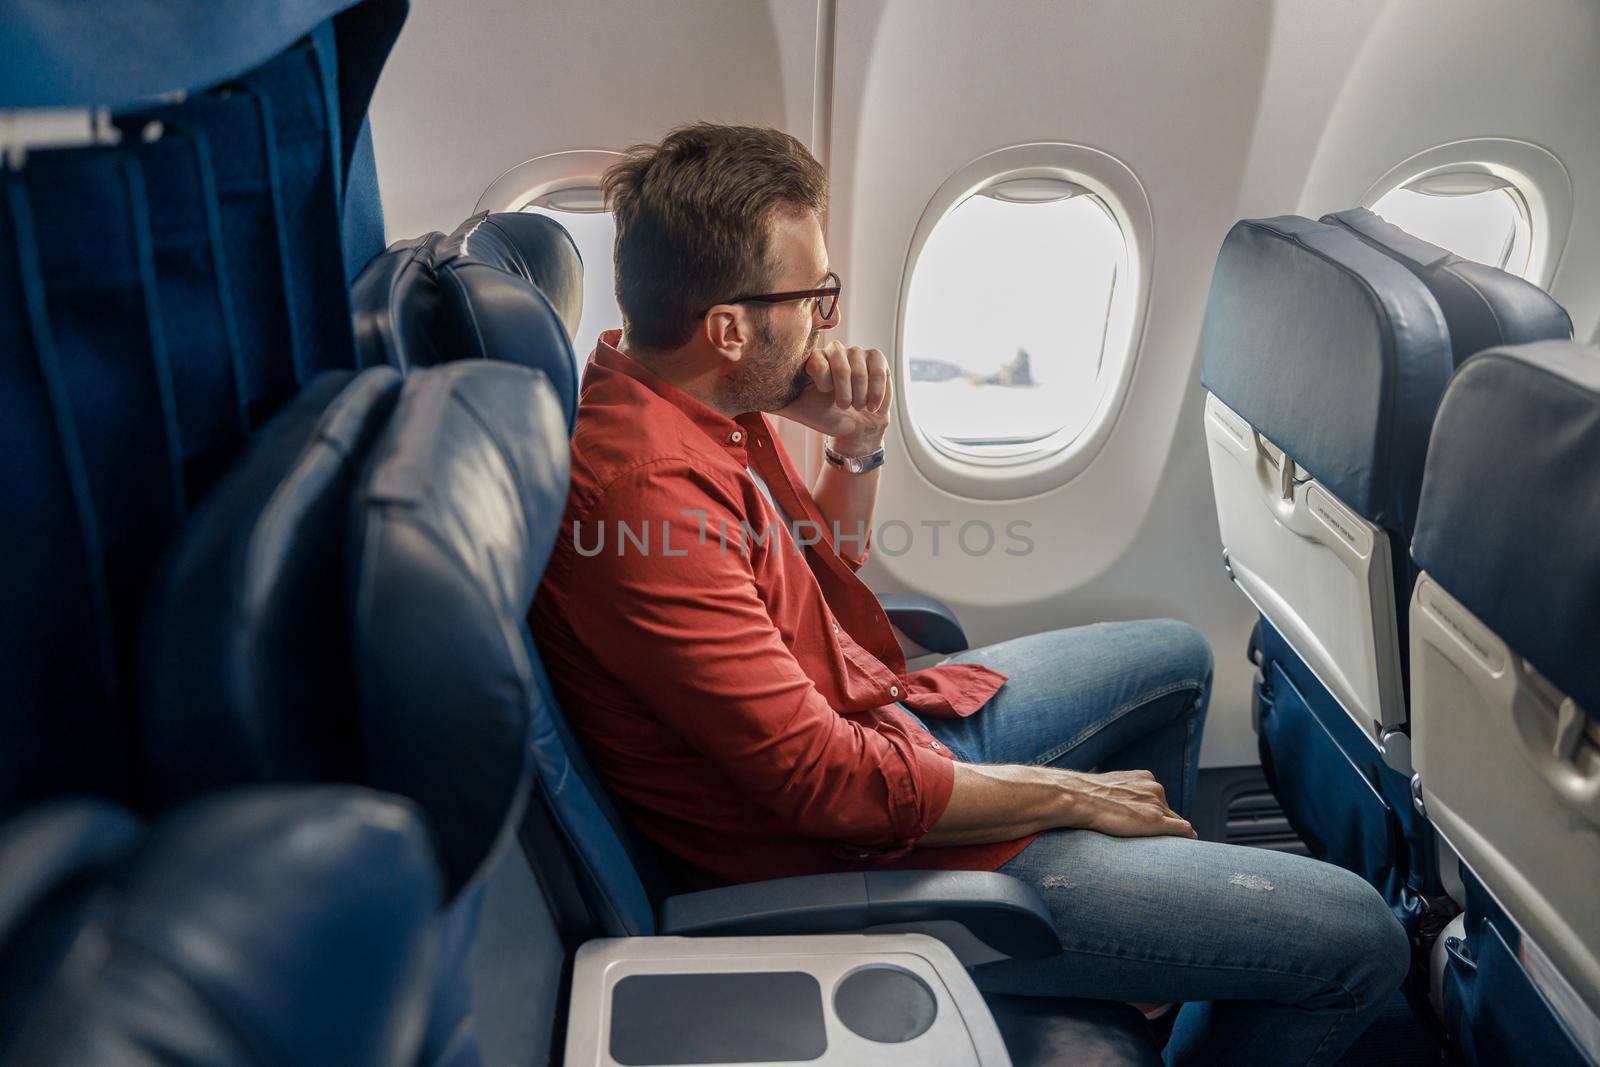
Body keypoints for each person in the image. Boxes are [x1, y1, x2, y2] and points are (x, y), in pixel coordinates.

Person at [531, 122, 1409, 1065]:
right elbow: (824, 786)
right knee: (1360, 941)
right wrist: (1065, 795)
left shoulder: (693, 404)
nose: (829, 318)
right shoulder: (645, 492)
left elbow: (826, 567)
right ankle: (1159, 958)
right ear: (731, 328)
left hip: (884, 725)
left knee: (1175, 659)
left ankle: (1150, 972)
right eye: (814, 296)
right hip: (862, 857)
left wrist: (854, 440)